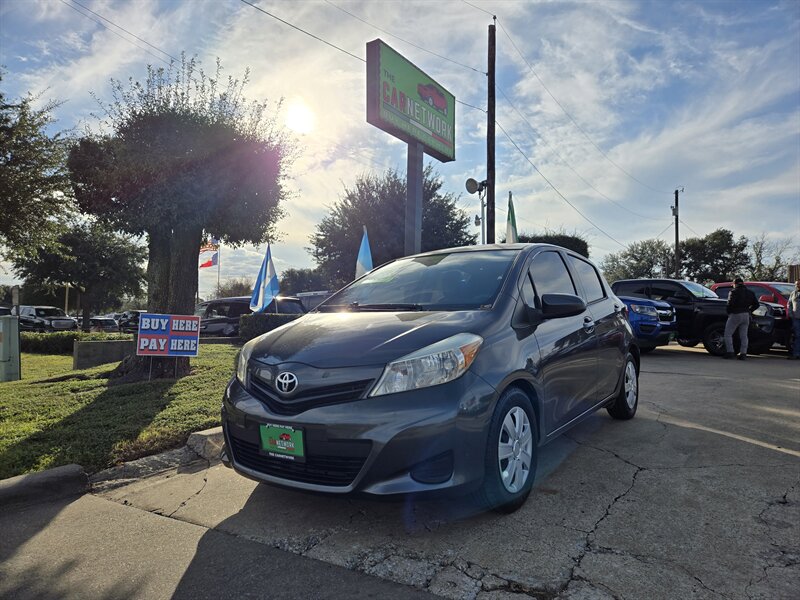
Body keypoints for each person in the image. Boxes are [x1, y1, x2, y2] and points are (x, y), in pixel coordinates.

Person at [723, 277, 759, 360]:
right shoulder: (750, 292)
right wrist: (749, 310)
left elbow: (730, 304)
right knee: (744, 335)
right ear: (743, 283)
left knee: (728, 334)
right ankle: (743, 353)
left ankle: (730, 352)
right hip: (746, 315)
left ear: (734, 284)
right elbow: (756, 304)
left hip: (735, 314)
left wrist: (729, 312)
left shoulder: (733, 292)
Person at [787, 279, 800, 360]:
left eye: (799, 284)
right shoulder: (793, 293)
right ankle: (796, 354)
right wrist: (791, 314)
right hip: (796, 318)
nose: (798, 285)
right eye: (796, 284)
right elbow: (789, 304)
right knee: (797, 336)